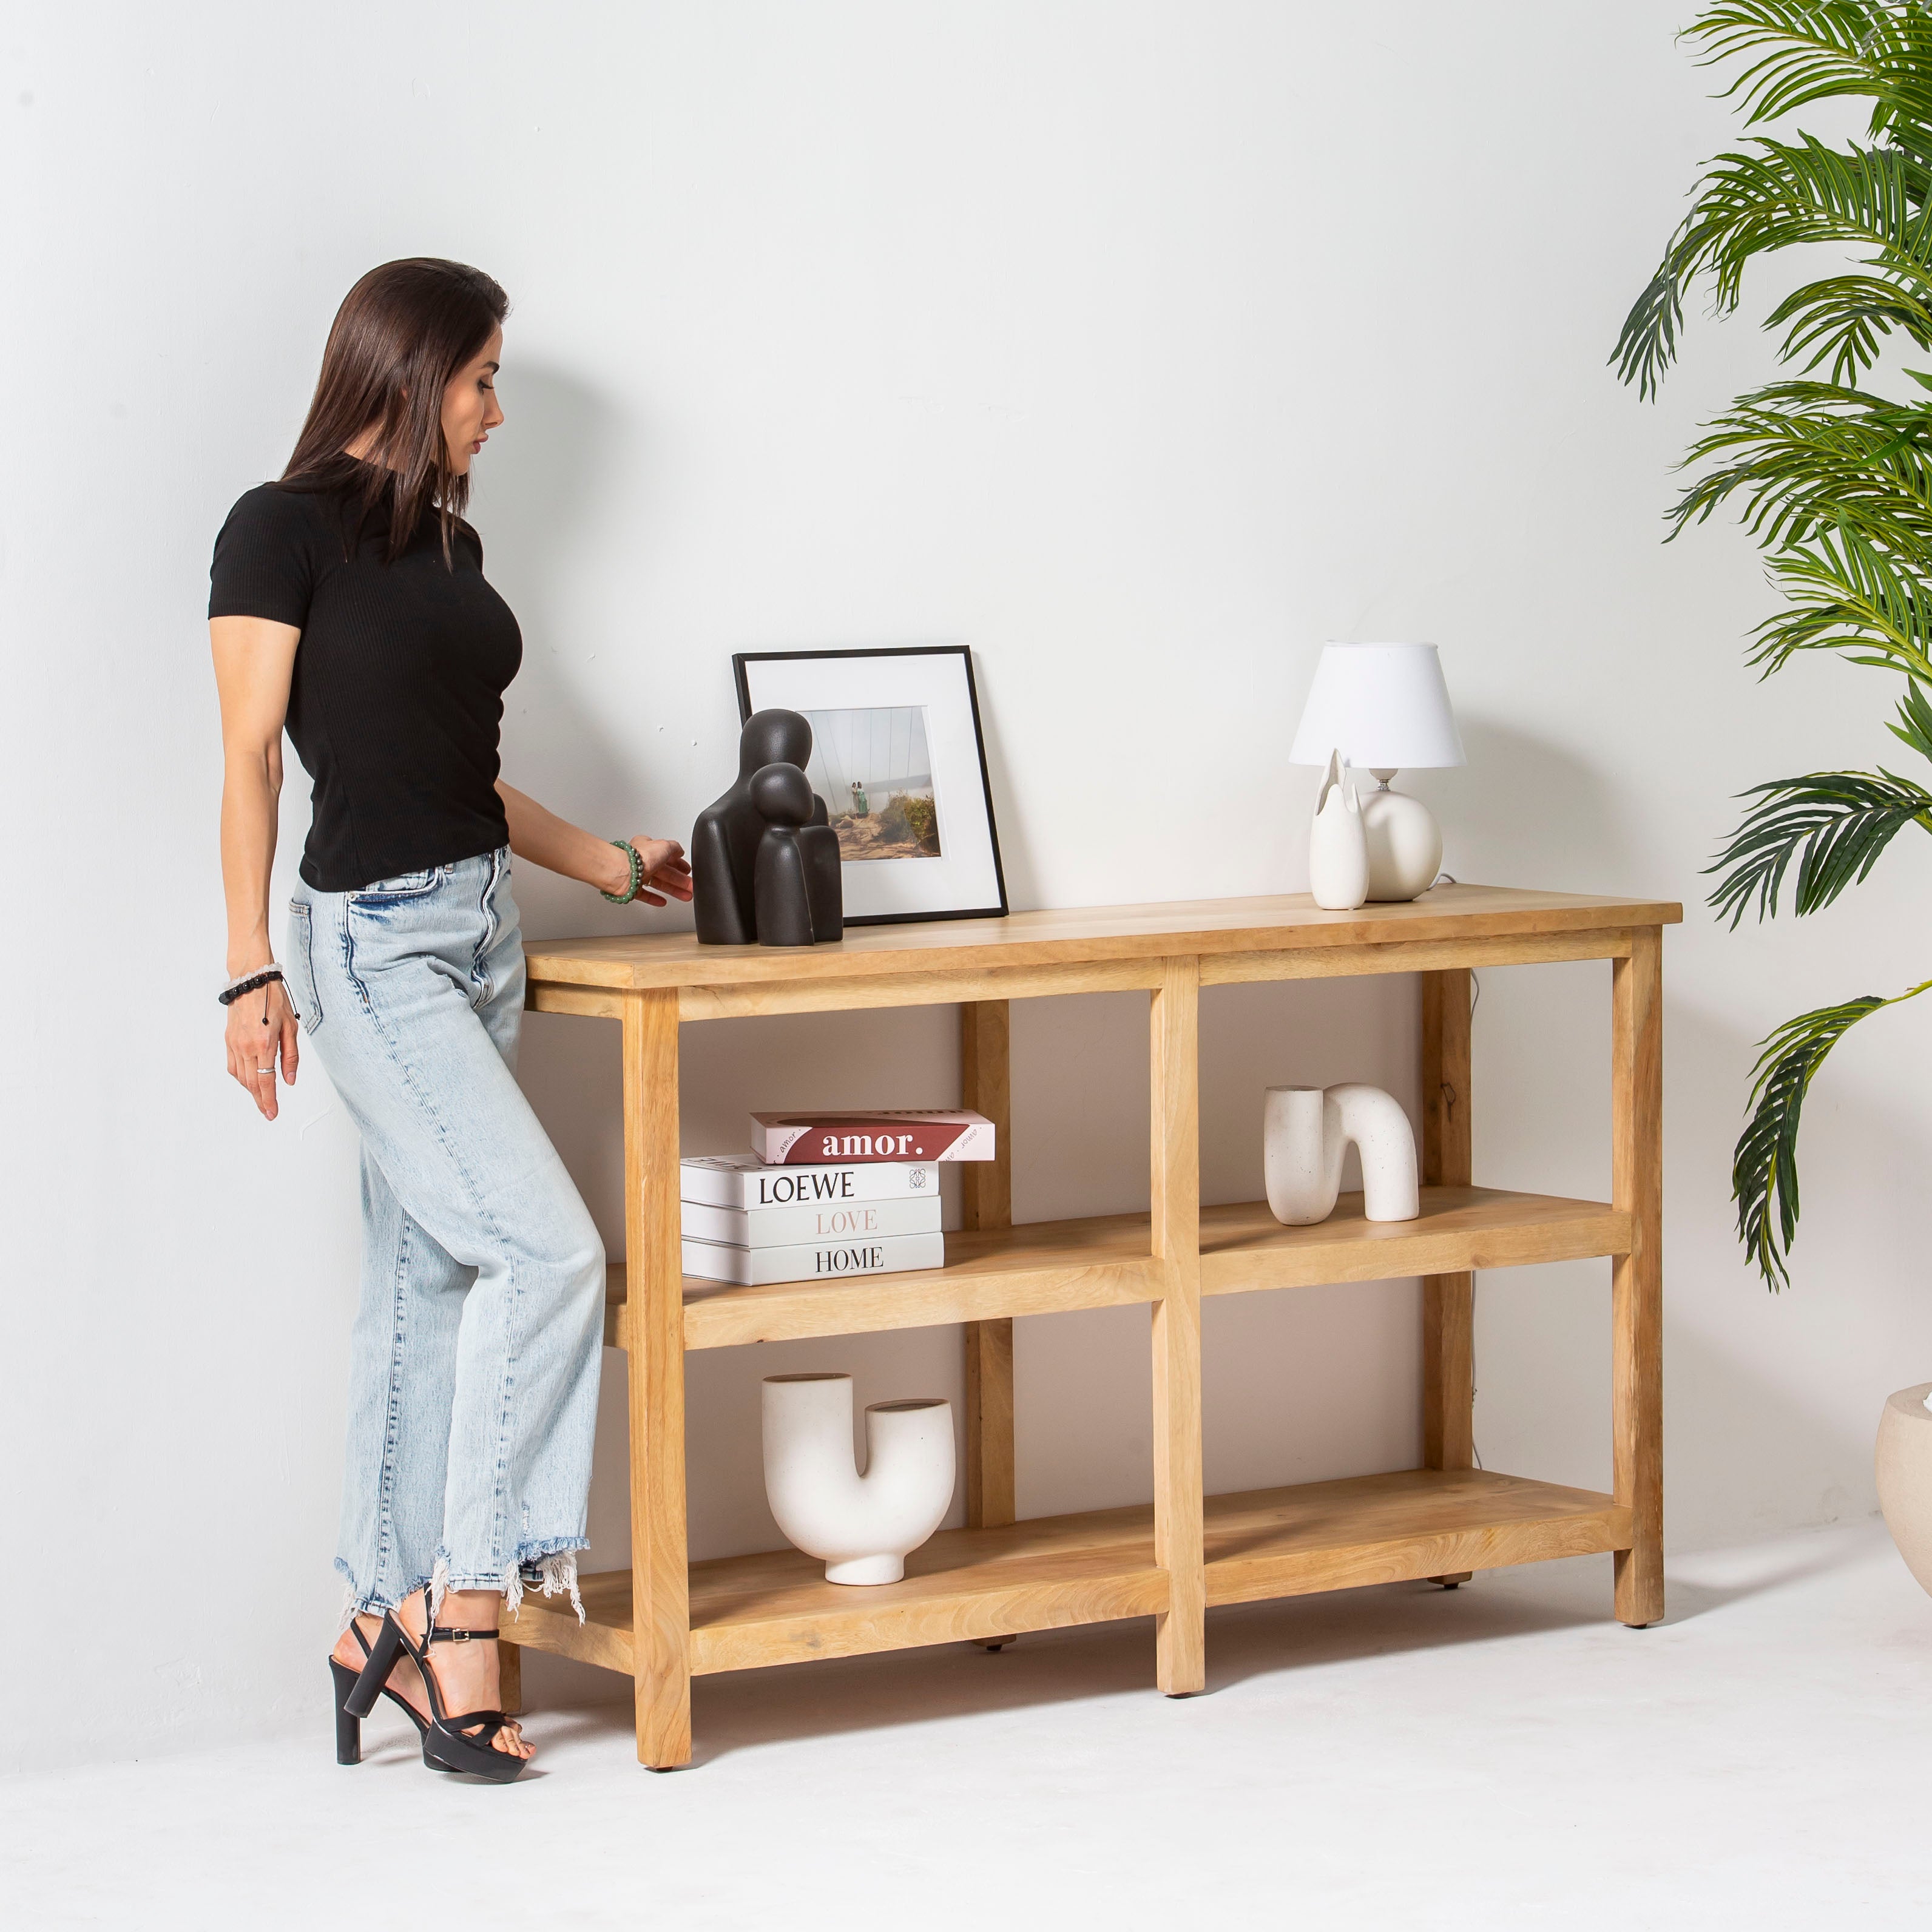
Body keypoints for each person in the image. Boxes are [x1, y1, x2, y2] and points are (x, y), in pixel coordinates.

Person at [210, 257, 692, 1780]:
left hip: (481, 932)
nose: (496, 408)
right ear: (414, 375)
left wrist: (606, 864)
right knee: (548, 1254)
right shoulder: (275, 528)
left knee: (426, 1277)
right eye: (483, 377)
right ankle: (464, 1611)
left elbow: (457, 770)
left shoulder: (448, 541)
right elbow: (251, 758)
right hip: (370, 949)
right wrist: (248, 968)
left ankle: (373, 1607)